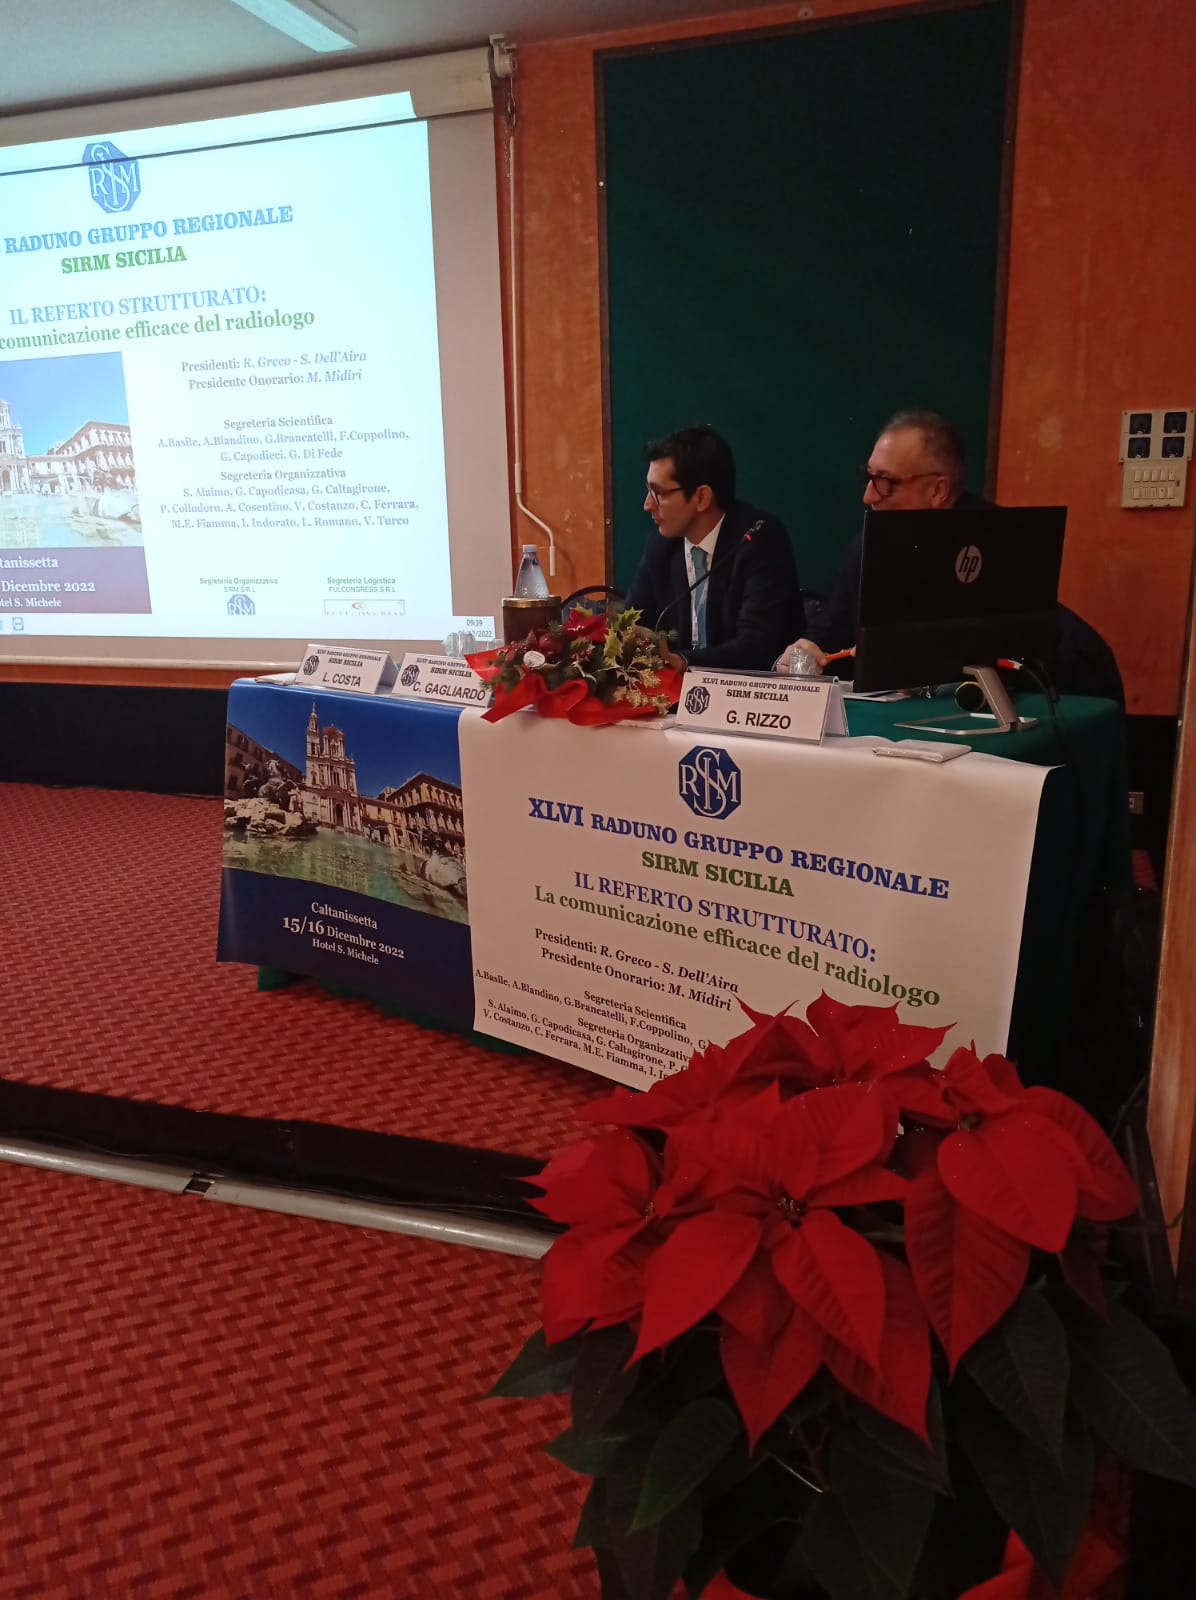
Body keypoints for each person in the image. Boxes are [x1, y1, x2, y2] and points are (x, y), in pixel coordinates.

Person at [778, 411, 1125, 706]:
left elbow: (1022, 652)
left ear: (938, 490)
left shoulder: (1002, 545)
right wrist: (806, 650)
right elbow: (832, 631)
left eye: (885, 481)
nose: (869, 496)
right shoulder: (866, 547)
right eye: (868, 477)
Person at [625, 425, 804, 672]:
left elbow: (757, 647)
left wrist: (684, 660)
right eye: (649, 491)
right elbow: (633, 622)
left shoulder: (758, 538)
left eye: (658, 493)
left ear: (701, 497)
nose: (648, 505)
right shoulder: (661, 546)